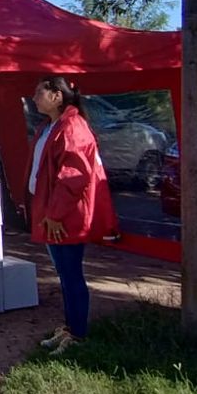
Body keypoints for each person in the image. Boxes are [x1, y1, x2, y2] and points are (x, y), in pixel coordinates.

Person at [29, 77, 117, 355]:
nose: (34, 98)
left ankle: (78, 333)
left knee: (71, 273)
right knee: (64, 274)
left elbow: (74, 177)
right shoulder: (53, 125)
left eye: (38, 93)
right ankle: (70, 327)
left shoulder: (73, 127)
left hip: (64, 216)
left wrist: (55, 214)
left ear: (56, 96)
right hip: (51, 212)